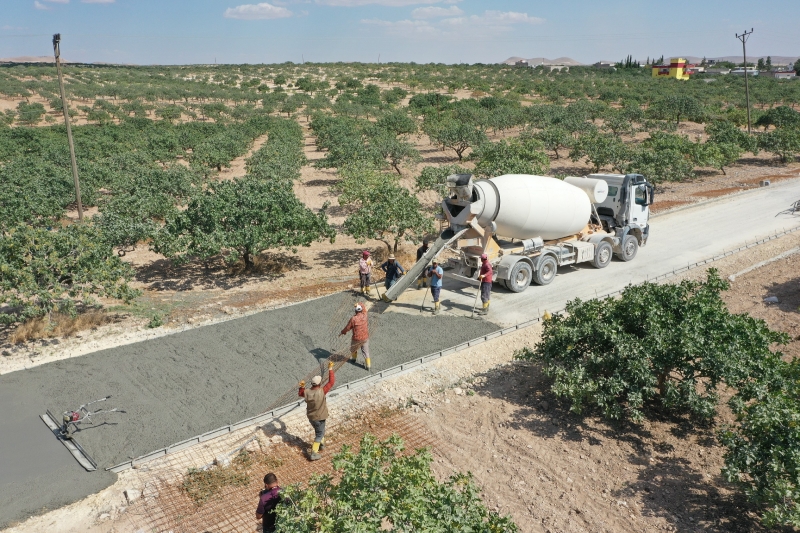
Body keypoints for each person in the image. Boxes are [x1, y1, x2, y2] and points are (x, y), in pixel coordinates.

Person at [298, 361, 335, 461]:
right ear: (319, 383)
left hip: (311, 417)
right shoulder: (322, 391)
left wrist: (302, 387)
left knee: (319, 431)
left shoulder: (307, 392)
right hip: (320, 417)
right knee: (319, 434)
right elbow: (331, 382)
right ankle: (314, 453)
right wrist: (330, 369)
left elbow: (301, 393)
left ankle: (321, 445)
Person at [340, 302, 370, 369]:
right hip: (365, 337)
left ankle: (353, 359)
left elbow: (348, 327)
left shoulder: (353, 319)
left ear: (355, 311)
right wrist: (359, 304)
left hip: (356, 338)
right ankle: (368, 365)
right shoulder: (365, 315)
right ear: (361, 310)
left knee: (353, 348)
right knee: (365, 351)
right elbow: (364, 308)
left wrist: (343, 332)